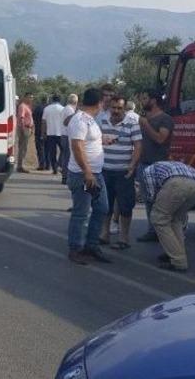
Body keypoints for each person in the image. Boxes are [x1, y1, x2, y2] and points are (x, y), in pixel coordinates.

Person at [65, 88, 110, 265]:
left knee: (102, 208)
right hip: (84, 175)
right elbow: (77, 146)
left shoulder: (89, 120)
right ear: (99, 103)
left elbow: (88, 142)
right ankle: (75, 248)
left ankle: (91, 245)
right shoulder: (80, 120)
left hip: (95, 174)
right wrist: (87, 172)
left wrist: (103, 140)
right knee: (81, 212)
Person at [142, 161, 195, 272]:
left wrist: (156, 202)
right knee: (175, 220)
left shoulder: (148, 170)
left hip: (176, 185)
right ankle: (175, 251)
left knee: (159, 219)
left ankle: (178, 261)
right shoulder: (174, 165)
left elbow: (151, 194)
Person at [98, 97, 142, 249]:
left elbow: (138, 146)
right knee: (106, 205)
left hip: (124, 172)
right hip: (105, 171)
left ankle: (124, 238)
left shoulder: (132, 124)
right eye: (114, 108)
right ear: (110, 107)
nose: (116, 111)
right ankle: (104, 235)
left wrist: (132, 165)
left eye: (119, 108)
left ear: (124, 109)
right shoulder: (102, 123)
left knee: (125, 206)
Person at [137, 91, 175, 242]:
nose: (142, 101)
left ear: (153, 101)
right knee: (148, 199)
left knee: (161, 201)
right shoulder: (144, 118)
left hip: (159, 165)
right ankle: (152, 231)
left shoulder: (165, 119)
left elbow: (161, 139)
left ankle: (164, 232)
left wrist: (146, 125)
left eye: (145, 98)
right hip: (144, 164)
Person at [42, 95, 65, 175]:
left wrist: (43, 133)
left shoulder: (47, 109)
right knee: (64, 150)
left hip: (50, 133)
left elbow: (44, 122)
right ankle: (60, 164)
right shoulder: (63, 109)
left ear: (52, 100)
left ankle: (54, 168)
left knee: (52, 152)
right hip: (61, 133)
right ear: (60, 100)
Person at [59, 93, 79, 184]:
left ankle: (64, 175)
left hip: (63, 134)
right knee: (67, 157)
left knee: (65, 156)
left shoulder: (65, 108)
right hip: (67, 135)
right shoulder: (70, 110)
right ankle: (66, 176)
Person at [16, 92, 35, 173]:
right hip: (24, 128)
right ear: (25, 97)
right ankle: (20, 166)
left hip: (28, 128)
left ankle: (21, 165)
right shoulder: (22, 106)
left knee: (24, 147)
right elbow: (21, 117)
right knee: (23, 148)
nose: (31, 99)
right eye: (29, 97)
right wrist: (24, 128)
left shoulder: (27, 106)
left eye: (32, 97)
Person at [33, 96, 47, 170]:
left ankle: (41, 164)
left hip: (38, 130)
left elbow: (34, 118)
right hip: (48, 131)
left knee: (40, 148)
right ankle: (48, 165)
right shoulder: (48, 108)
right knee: (47, 149)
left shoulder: (37, 108)